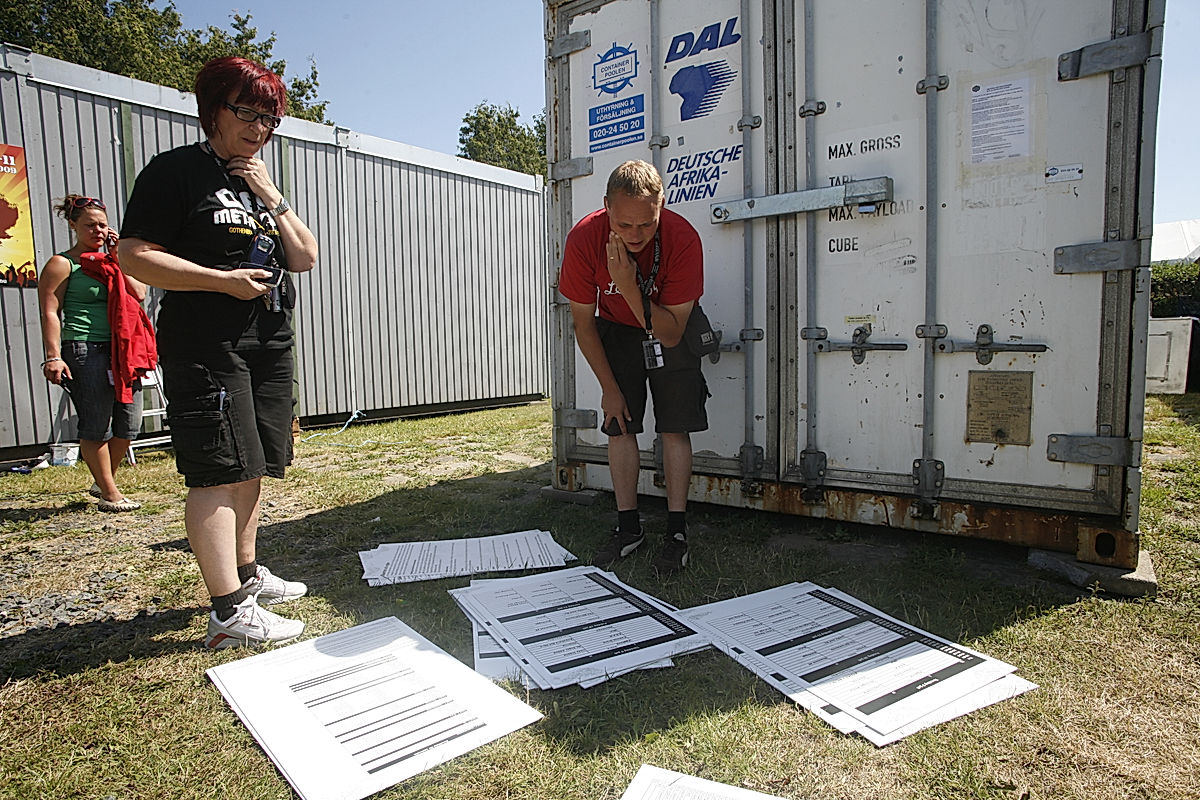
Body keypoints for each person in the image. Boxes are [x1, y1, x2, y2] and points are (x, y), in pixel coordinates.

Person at [118, 56, 319, 649]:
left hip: (267, 338)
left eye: (270, 119)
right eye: (248, 112)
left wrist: (268, 191)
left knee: (254, 462)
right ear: (213, 109)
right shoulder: (174, 172)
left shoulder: (256, 181)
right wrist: (220, 280)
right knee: (217, 469)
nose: (260, 128)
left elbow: (304, 257)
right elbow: (134, 254)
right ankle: (228, 611)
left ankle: (248, 575)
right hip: (207, 340)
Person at [558, 160, 708, 574]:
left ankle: (676, 532)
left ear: (663, 203)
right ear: (606, 207)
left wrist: (627, 286)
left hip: (666, 323)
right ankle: (629, 527)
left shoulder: (682, 239)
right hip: (616, 330)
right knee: (619, 423)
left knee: (674, 426)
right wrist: (608, 389)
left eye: (647, 223)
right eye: (623, 225)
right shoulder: (584, 238)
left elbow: (674, 333)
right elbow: (583, 324)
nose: (636, 235)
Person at [37, 195, 146, 512]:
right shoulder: (63, 264)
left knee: (128, 423)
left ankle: (102, 481)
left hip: (122, 349)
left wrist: (118, 255)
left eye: (102, 224)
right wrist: (53, 356)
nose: (98, 230)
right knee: (96, 422)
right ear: (73, 225)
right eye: (89, 225)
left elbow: (138, 292)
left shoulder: (114, 260)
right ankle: (110, 494)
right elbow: (50, 312)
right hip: (84, 347)